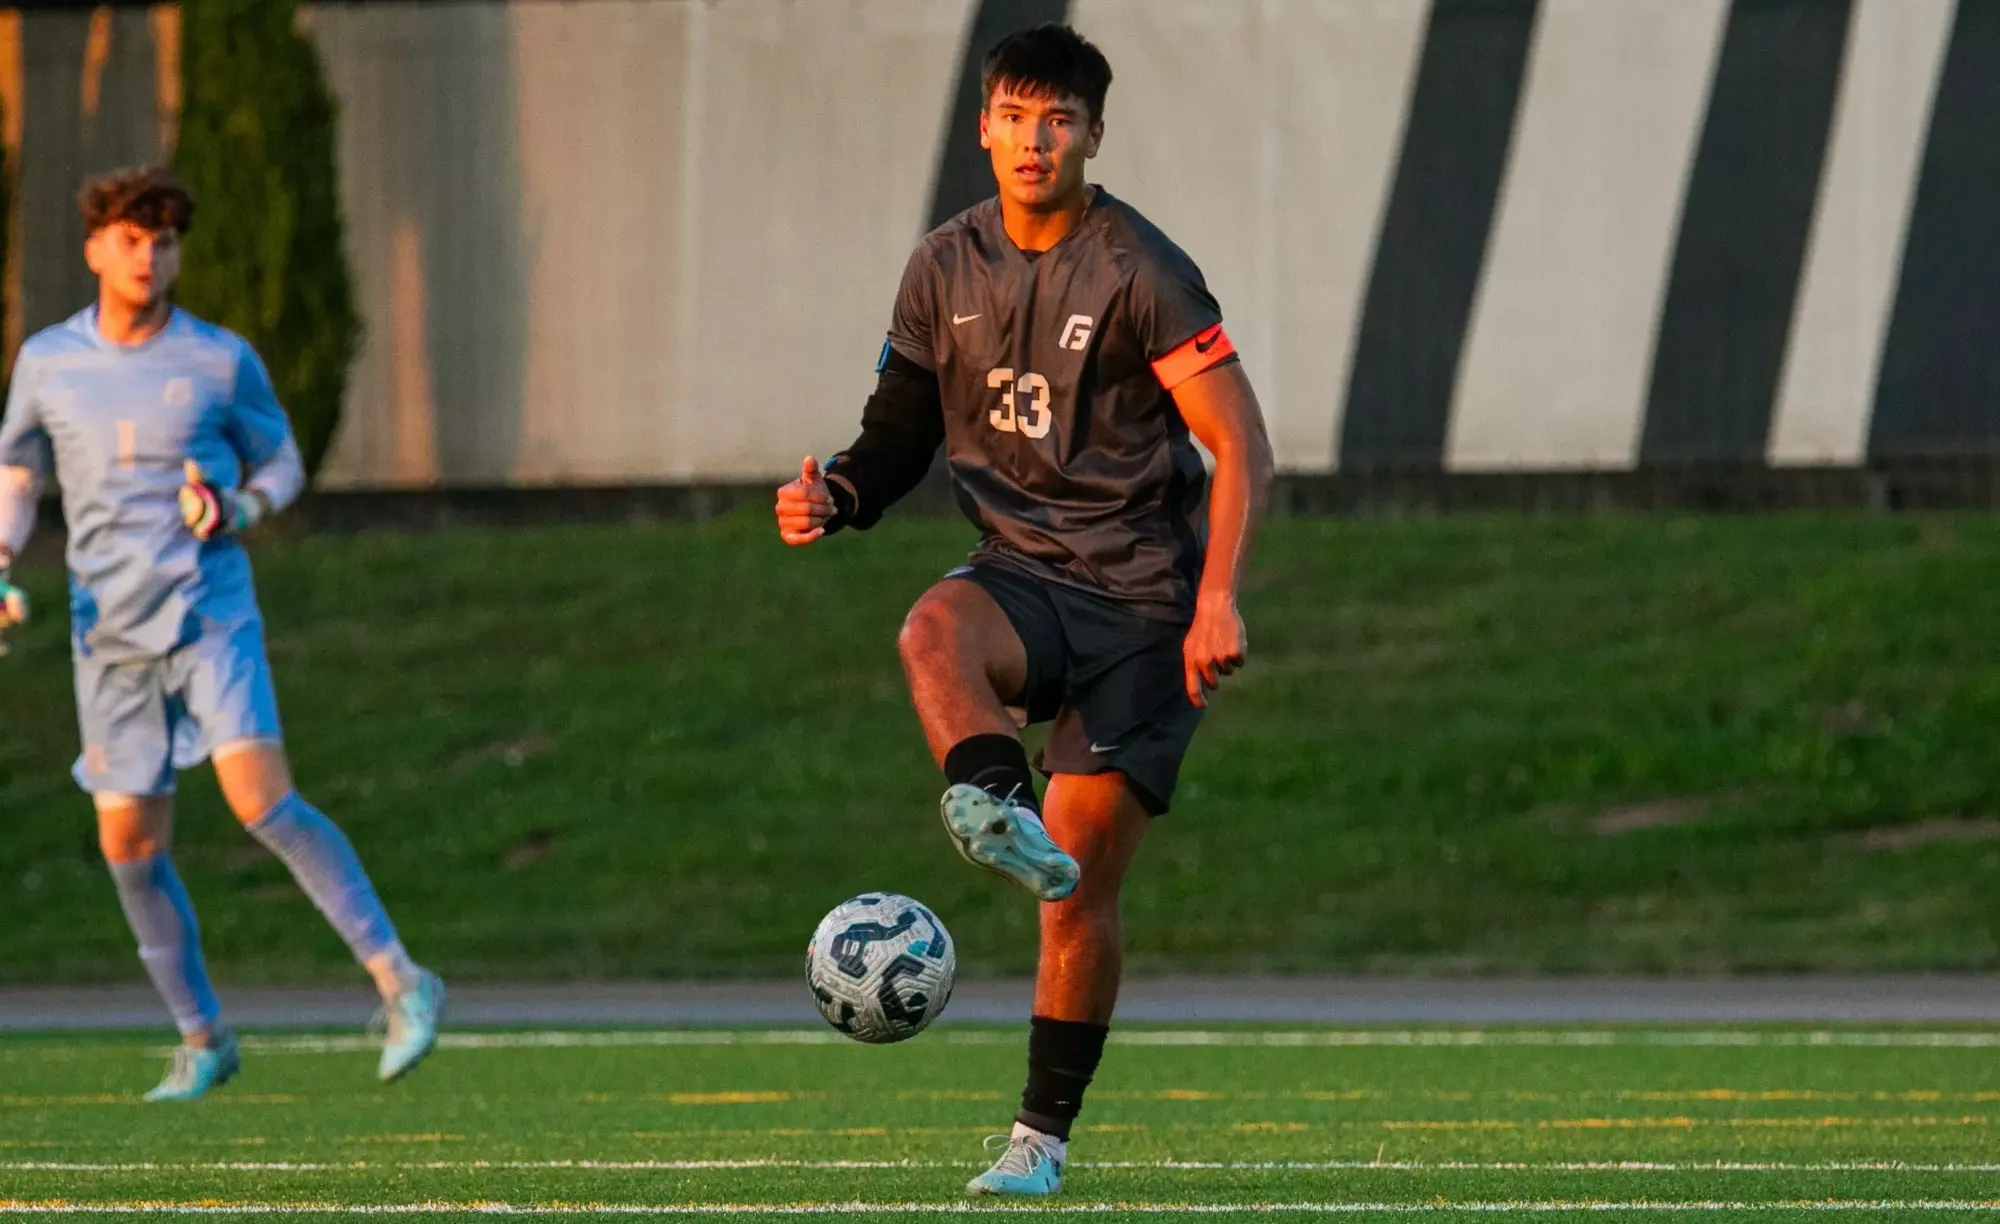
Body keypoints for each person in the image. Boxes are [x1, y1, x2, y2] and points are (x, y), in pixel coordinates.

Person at [773, 24, 1273, 1197]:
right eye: (1014, 115)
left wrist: (1217, 601)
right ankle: (991, 803)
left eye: (1059, 120)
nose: (1034, 139)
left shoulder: (1143, 269)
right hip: (1023, 570)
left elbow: (1238, 443)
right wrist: (837, 495)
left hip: (1146, 605)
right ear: (984, 125)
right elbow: (896, 434)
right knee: (930, 630)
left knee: (1077, 893)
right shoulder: (939, 266)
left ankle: (1036, 1145)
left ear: (1093, 135)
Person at [0, 167, 443, 1100]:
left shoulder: (217, 358)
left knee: (262, 803)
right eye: (130, 238)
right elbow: (17, 471)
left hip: (209, 611)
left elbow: (282, 460)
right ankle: (205, 1039)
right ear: (94, 249)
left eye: (162, 242)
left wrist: (239, 503)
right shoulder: (47, 360)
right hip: (106, 633)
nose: (147, 256)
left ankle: (403, 982)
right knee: (131, 849)